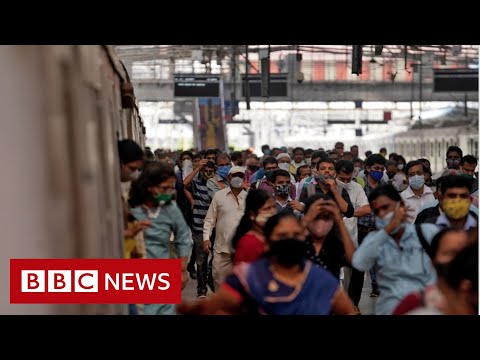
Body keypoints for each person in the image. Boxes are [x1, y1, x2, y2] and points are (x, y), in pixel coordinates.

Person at [177, 213, 359, 315]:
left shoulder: (320, 279)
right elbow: (212, 307)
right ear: (269, 240)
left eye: (296, 236)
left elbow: (348, 311)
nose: (289, 241)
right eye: (282, 236)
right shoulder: (248, 277)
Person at [351, 184, 441, 315]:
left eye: (386, 208)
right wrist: (388, 229)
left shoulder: (426, 233)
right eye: (377, 211)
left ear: (402, 206)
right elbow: (359, 263)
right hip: (390, 309)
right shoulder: (375, 240)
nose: (382, 214)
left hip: (425, 307)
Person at [129, 161, 192, 315]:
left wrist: (182, 269)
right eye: (164, 188)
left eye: (171, 188)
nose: (169, 193)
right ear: (149, 186)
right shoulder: (130, 207)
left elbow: (183, 237)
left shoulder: (170, 209)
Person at [231, 189, 277, 265]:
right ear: (252, 215)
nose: (273, 212)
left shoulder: (271, 236)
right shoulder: (248, 244)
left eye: (274, 207)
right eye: (267, 208)